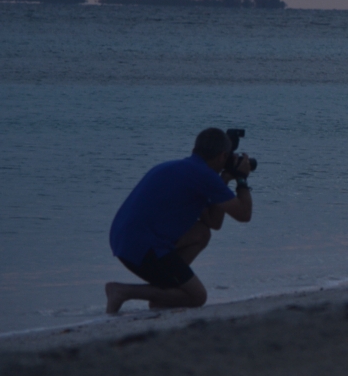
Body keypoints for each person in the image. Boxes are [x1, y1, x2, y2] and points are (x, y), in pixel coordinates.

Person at [105, 128, 254, 314]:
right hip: (142, 249)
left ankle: (163, 296)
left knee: (201, 233)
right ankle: (122, 291)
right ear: (223, 155)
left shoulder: (184, 168)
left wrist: (224, 179)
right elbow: (244, 214)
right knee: (197, 297)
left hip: (124, 241)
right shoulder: (204, 176)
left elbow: (213, 222)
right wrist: (241, 179)